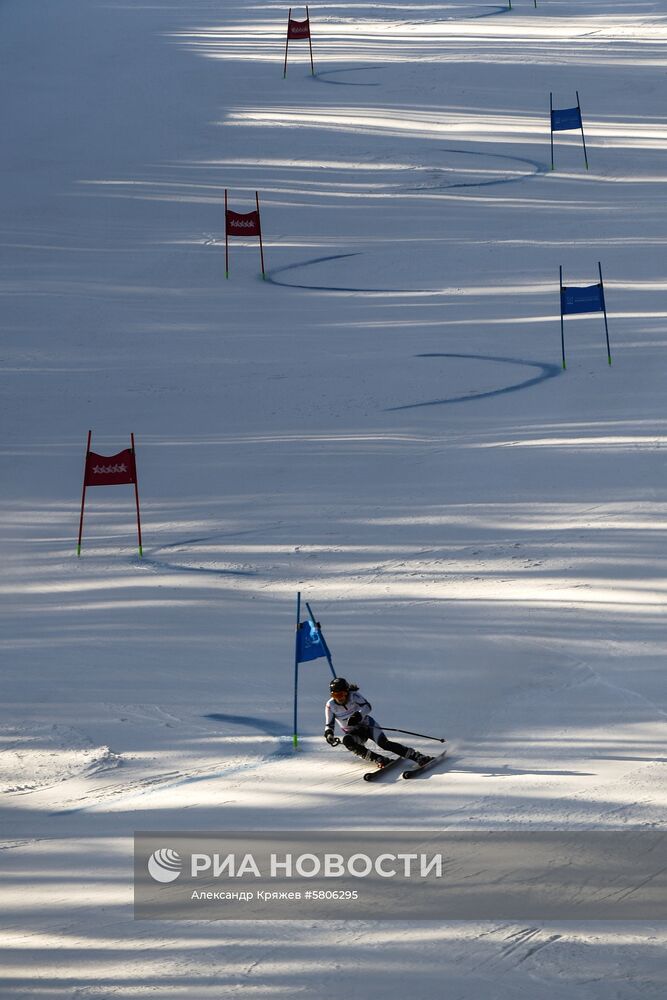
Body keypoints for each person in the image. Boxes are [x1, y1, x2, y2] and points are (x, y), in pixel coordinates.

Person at [324, 676, 432, 768]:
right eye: (335, 695)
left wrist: (358, 715)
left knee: (384, 744)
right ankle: (379, 759)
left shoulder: (354, 696)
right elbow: (329, 724)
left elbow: (367, 707)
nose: (339, 699)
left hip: (368, 726)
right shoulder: (330, 706)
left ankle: (418, 756)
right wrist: (329, 734)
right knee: (347, 741)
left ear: (347, 692)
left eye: (341, 694)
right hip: (354, 733)